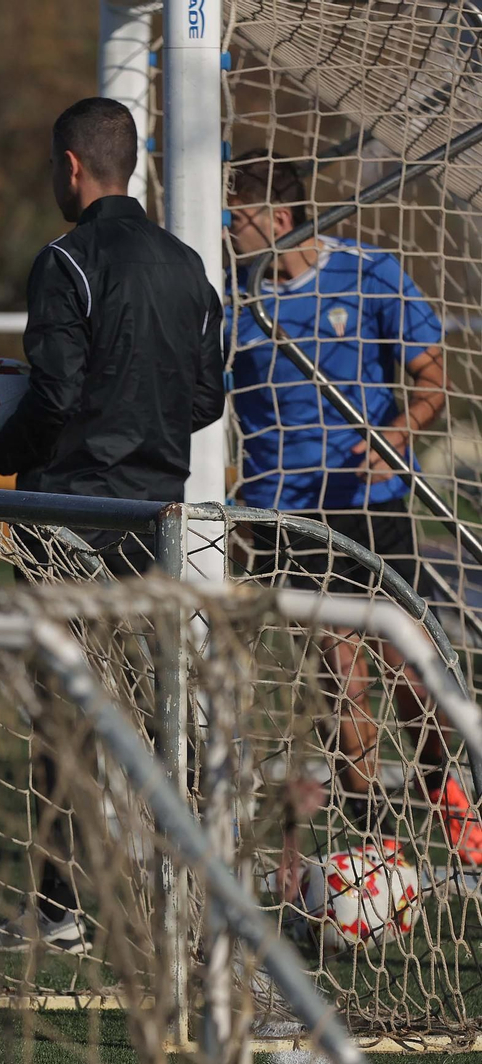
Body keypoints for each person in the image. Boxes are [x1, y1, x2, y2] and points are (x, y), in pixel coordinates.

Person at [0, 97, 226, 953]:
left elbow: (55, 395)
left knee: (61, 715)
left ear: (72, 168)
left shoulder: (66, 260)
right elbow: (205, 397)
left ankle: (59, 909)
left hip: (68, 515)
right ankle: (188, 904)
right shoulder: (190, 264)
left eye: (54, 168)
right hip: (155, 516)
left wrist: (3, 447)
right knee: (159, 712)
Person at [226, 149, 482, 862]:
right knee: (343, 678)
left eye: (236, 222)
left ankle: (450, 798)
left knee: (407, 667)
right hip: (284, 513)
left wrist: (399, 433)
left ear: (279, 219)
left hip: (372, 505)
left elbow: (435, 381)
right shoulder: (231, 297)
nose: (227, 235)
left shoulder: (370, 274)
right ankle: (374, 846)